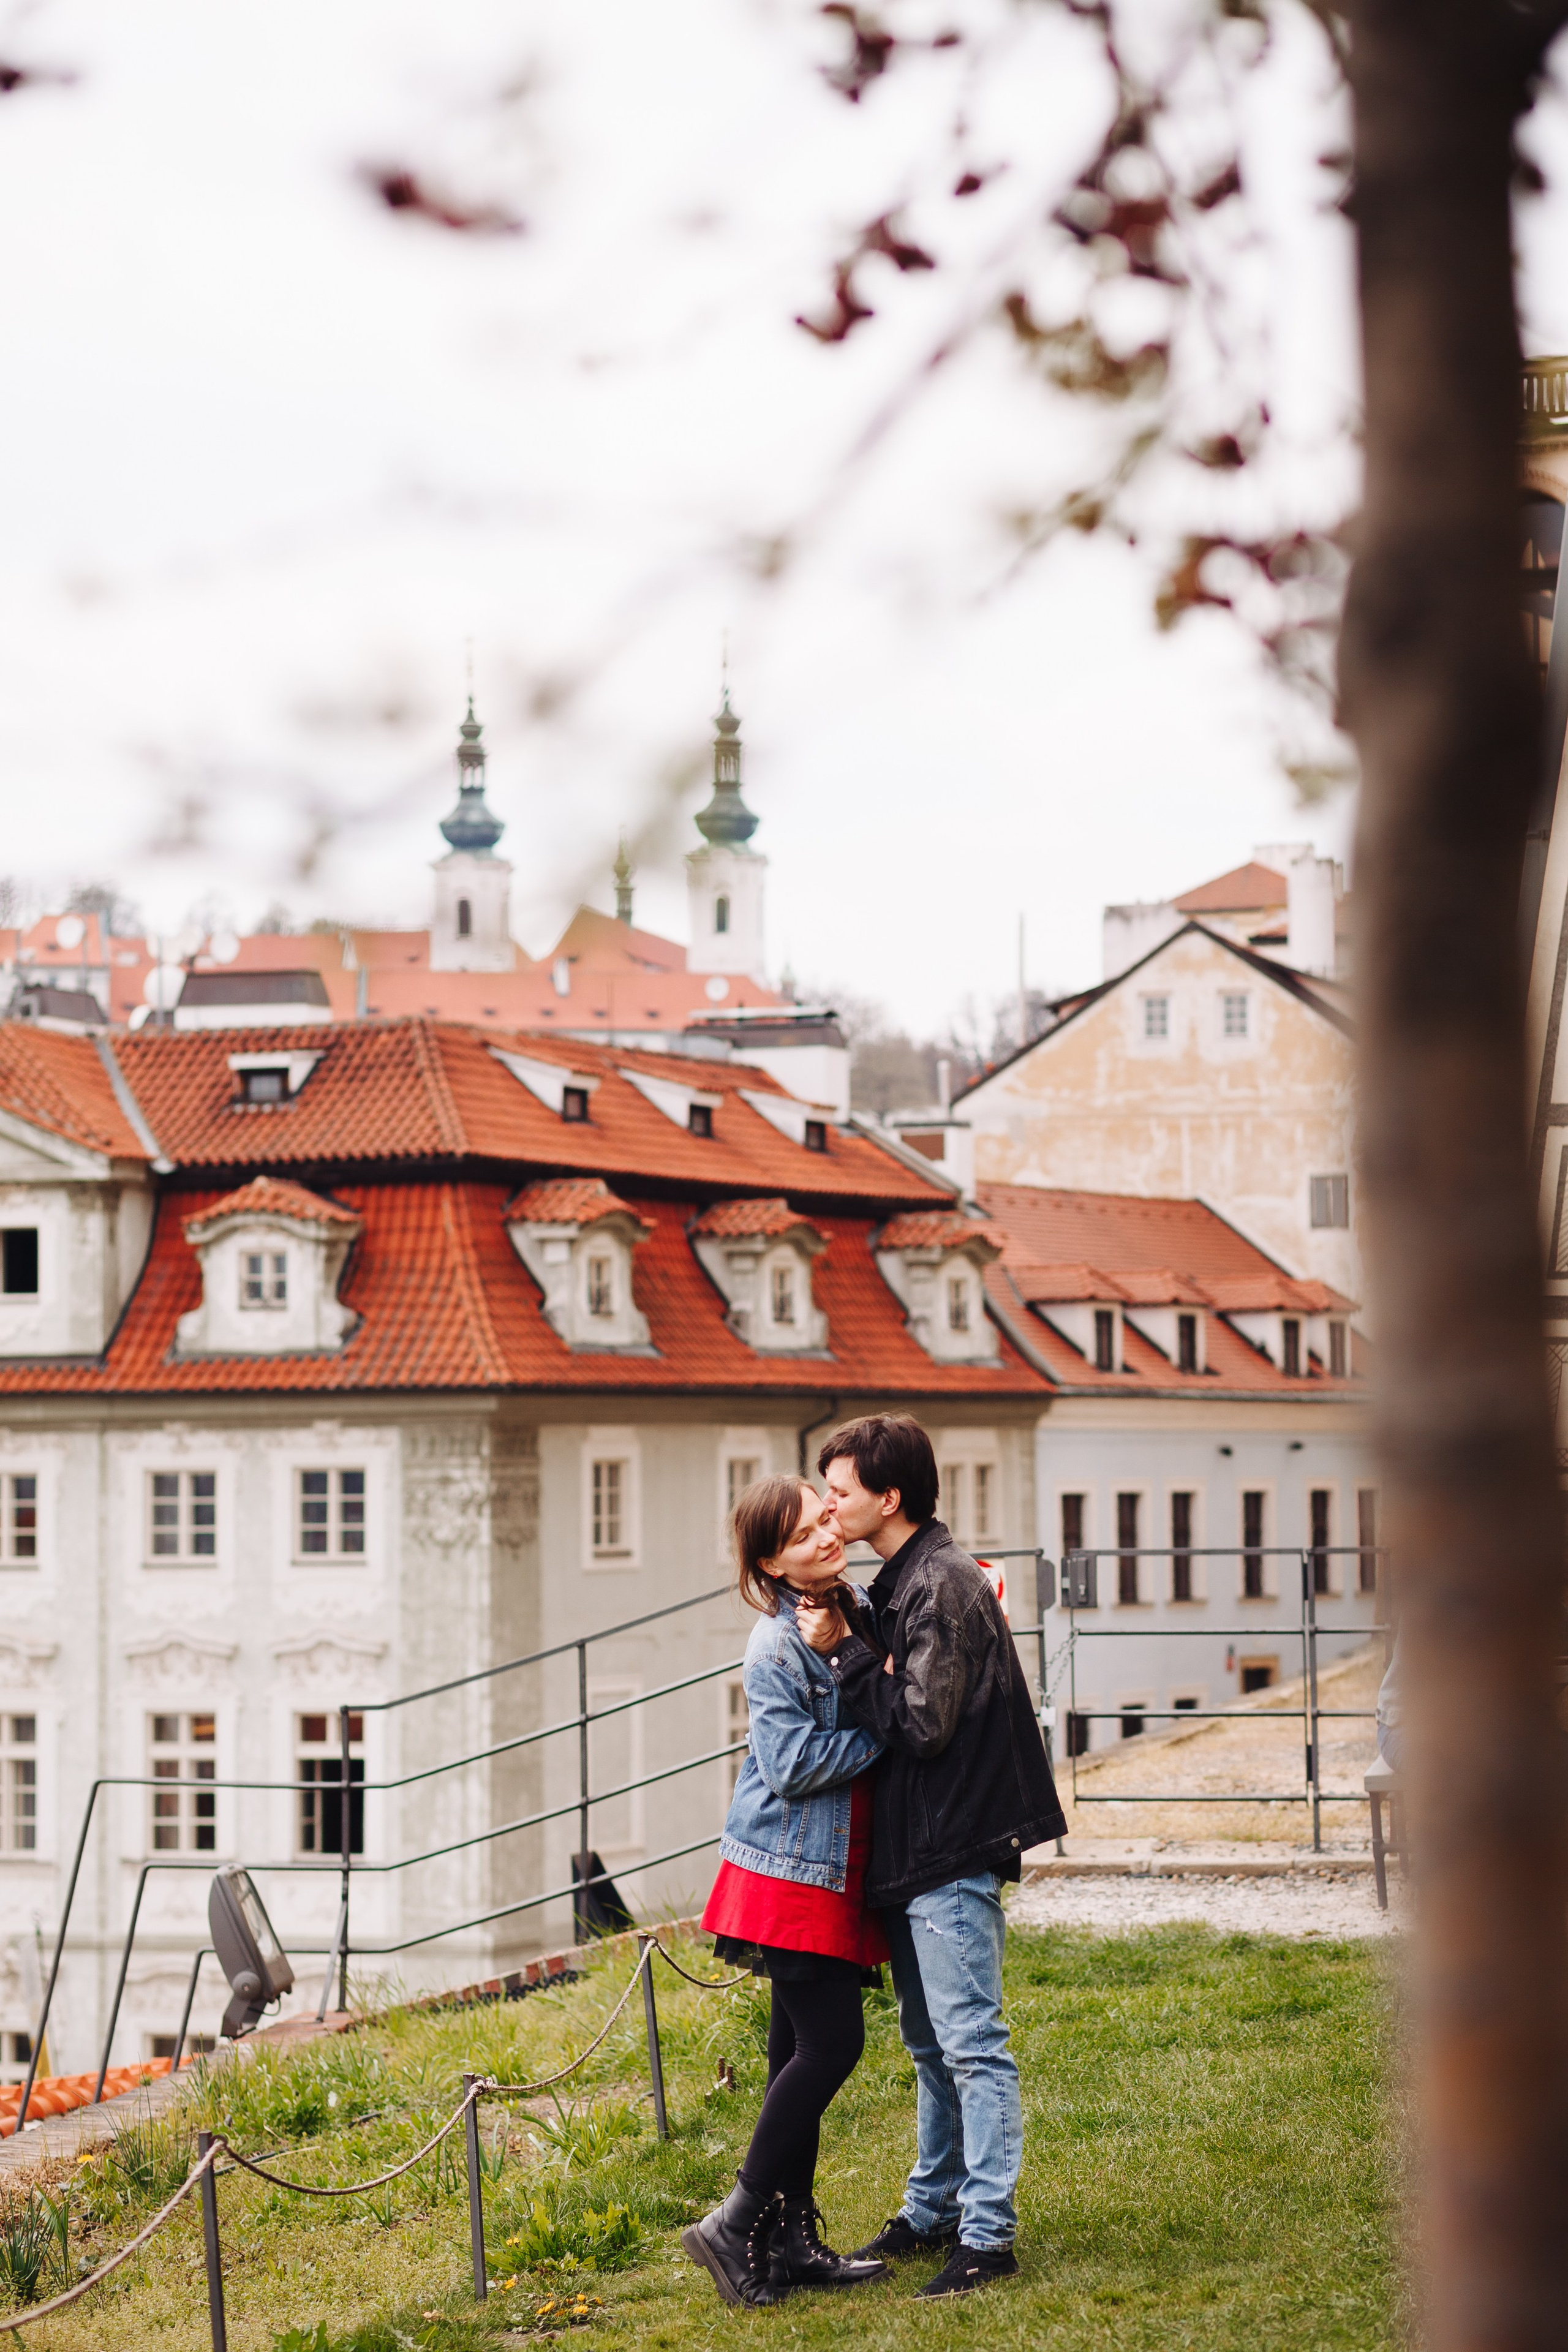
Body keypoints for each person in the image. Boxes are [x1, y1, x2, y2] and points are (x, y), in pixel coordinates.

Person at [796, 1414, 1066, 2297]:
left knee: (972, 2044)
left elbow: (921, 1722)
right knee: (929, 2045)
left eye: (838, 1492)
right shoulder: (904, 1579)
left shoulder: (942, 1582)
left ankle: (987, 2237)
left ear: (889, 1497)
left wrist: (844, 1657)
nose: (828, 1508)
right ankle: (933, 2208)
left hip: (951, 1846)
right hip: (919, 1848)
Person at [680, 1472, 892, 2308]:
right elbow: (793, 1766)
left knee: (789, 2056)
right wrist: (891, 1733)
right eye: (803, 1536)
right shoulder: (772, 1648)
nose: (827, 1536)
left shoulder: (849, 1605)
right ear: (771, 1562)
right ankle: (734, 2224)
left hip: (829, 1868)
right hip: (788, 1872)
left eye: (825, 1518)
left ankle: (792, 2241)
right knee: (831, 2048)